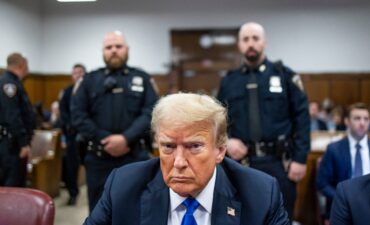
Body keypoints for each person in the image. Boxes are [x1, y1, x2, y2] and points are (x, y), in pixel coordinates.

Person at [83, 93, 289, 225]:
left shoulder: (261, 194)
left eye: (194, 147)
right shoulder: (123, 185)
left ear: (220, 151)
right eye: (168, 147)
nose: (179, 162)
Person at [217, 22, 310, 219]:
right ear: (239, 45)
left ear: (264, 43)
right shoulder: (229, 81)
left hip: (279, 162)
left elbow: (302, 117)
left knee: (281, 217)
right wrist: (227, 140)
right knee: (243, 217)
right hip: (241, 162)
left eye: (255, 38)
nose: (251, 43)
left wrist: (300, 159)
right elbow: (217, 119)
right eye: (246, 39)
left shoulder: (285, 75)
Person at [71, 31, 158, 211]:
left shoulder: (141, 78)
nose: (114, 51)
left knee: (136, 210)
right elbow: (78, 114)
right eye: (109, 47)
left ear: (127, 49)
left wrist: (125, 138)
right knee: (99, 211)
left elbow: (152, 111)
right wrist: (106, 139)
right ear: (103, 51)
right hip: (98, 158)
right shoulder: (89, 80)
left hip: (134, 156)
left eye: (118, 46)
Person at [316, 102, 370, 218]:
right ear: (347, 121)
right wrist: (344, 199)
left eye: (366, 119)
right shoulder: (334, 149)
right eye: (357, 118)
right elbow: (322, 184)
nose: (362, 123)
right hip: (343, 207)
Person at [0, 52, 36, 186]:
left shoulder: (11, 82)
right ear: (21, 65)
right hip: (12, 145)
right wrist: (23, 143)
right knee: (12, 185)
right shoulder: (10, 85)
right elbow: (12, 116)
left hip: (11, 142)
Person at [59, 63, 86, 205]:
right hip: (71, 135)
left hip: (87, 135)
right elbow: (62, 112)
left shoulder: (91, 91)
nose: (78, 75)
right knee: (71, 166)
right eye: (75, 73)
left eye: (81, 72)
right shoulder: (67, 92)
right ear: (72, 75)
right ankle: (73, 193)